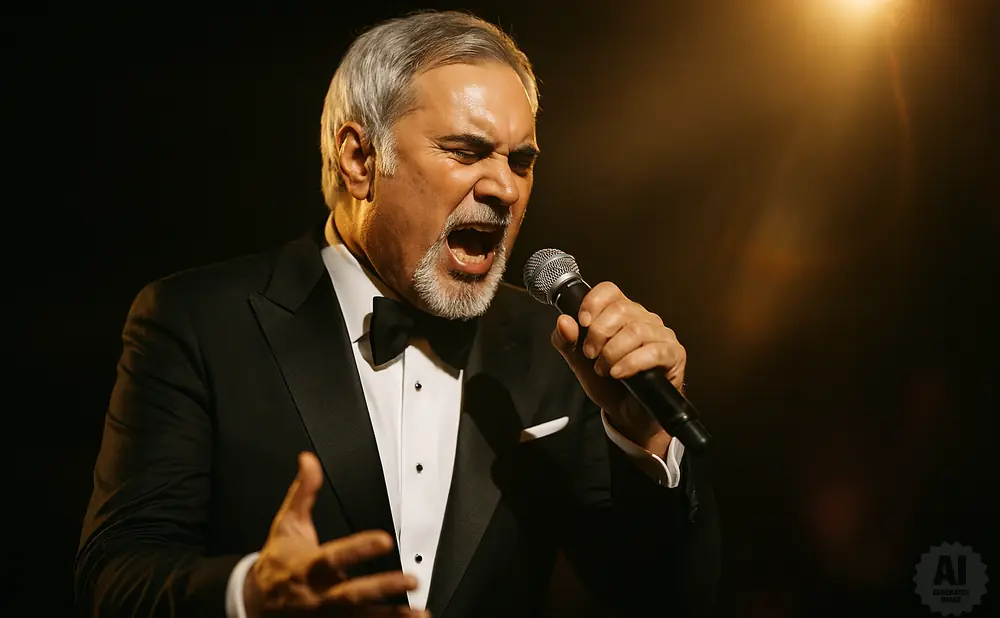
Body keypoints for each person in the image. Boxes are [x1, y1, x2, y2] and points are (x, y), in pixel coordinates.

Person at [75, 10, 720, 618]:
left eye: (520, 161)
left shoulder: (554, 346)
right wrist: (252, 595)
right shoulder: (197, 322)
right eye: (466, 152)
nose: (505, 187)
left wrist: (643, 439)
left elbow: (660, 600)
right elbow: (116, 578)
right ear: (359, 159)